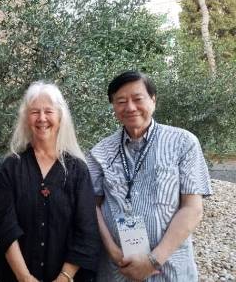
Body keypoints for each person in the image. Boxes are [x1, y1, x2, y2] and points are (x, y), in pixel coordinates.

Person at [86, 70, 212, 281]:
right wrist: (114, 252)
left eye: (137, 99)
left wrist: (154, 260)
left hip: (170, 268)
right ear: (114, 107)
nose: (130, 107)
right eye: (121, 101)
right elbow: (92, 205)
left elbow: (192, 208)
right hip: (117, 269)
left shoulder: (183, 143)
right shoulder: (100, 151)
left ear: (153, 100)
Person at [0, 82, 101, 282]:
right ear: (26, 118)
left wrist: (64, 277)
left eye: (48, 111)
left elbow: (86, 231)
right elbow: (5, 226)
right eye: (35, 112)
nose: (42, 118)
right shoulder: (11, 166)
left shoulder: (78, 170)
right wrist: (24, 277)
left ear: (60, 117)